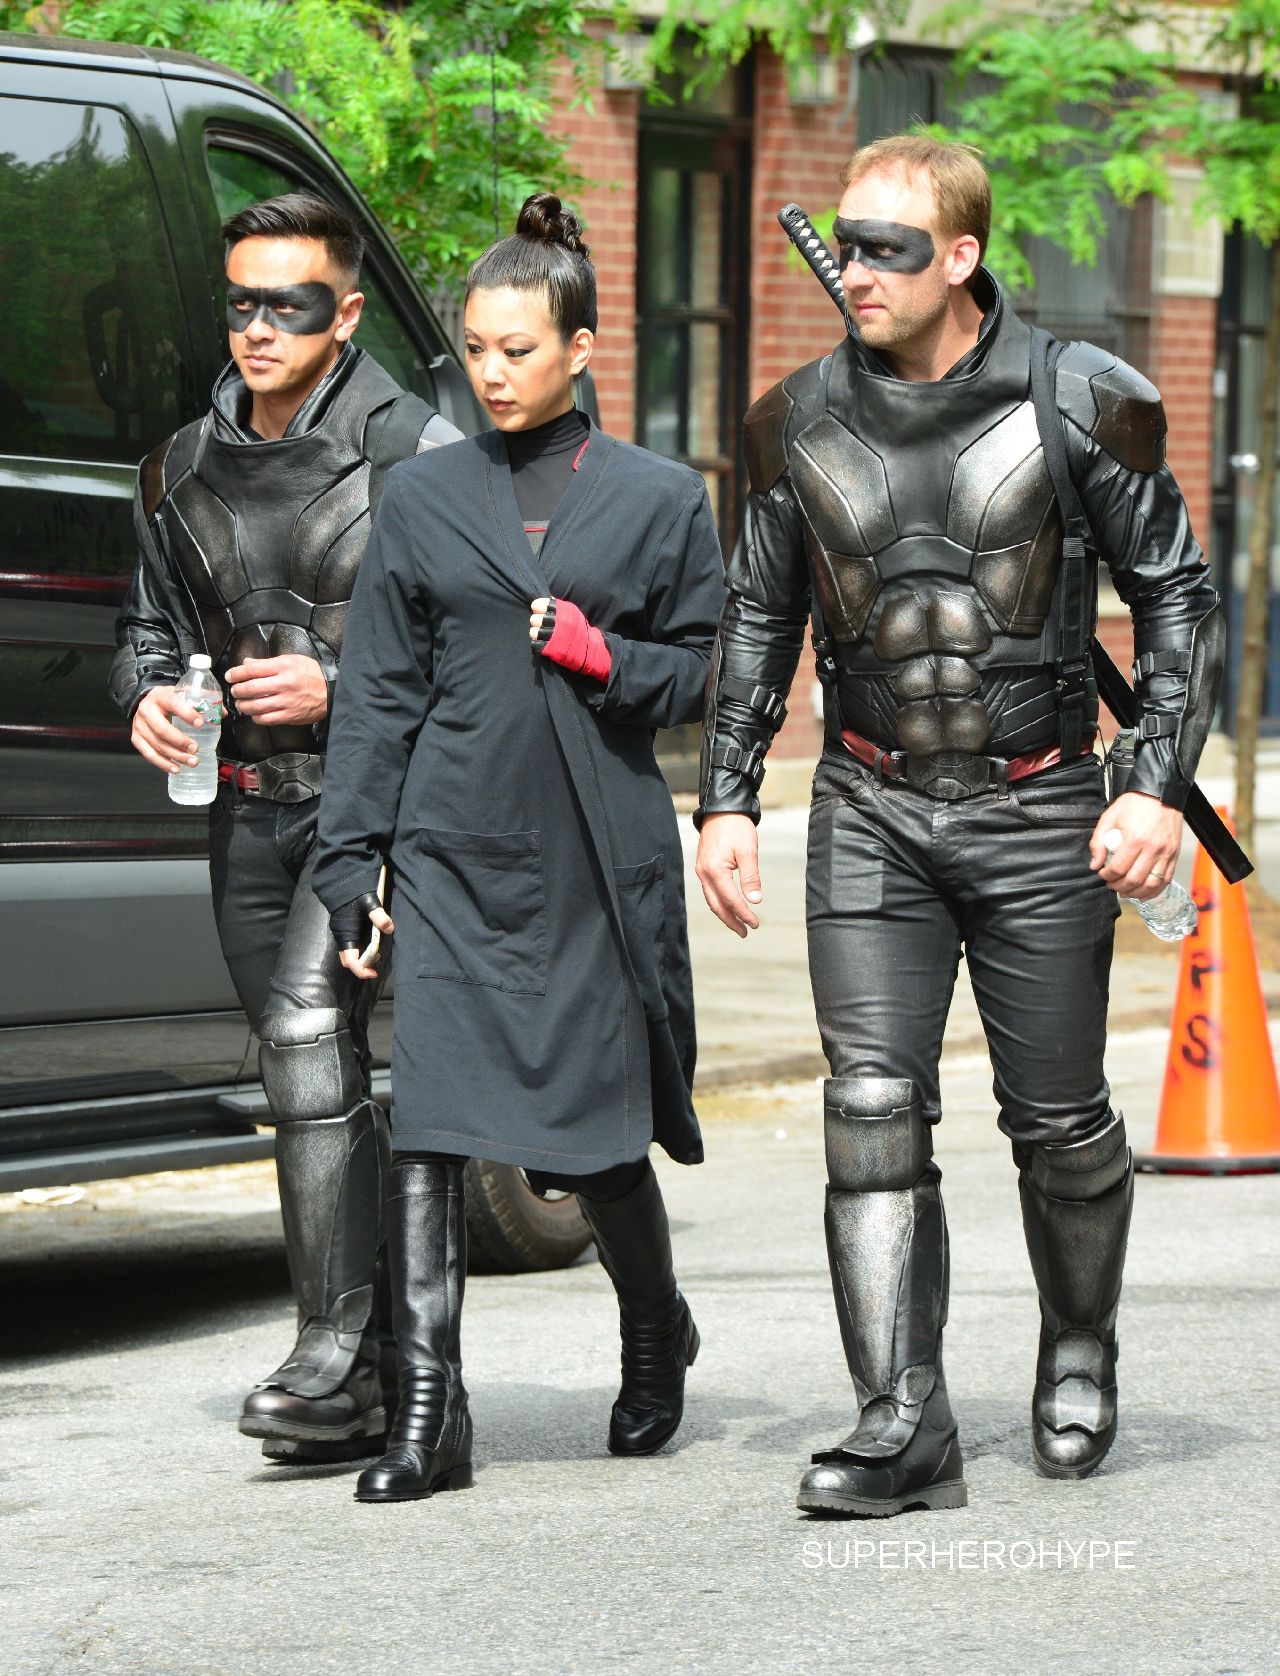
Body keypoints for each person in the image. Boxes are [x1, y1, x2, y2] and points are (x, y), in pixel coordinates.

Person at [695, 136, 1223, 1517]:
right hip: (868, 803)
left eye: (891, 247)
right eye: (849, 243)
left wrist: (1152, 781)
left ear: (963, 256)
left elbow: (1175, 595)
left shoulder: (1083, 397)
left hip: (1043, 801)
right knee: (869, 1105)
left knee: (1057, 1119)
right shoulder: (791, 420)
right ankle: (900, 1419)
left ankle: (1079, 1342)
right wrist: (727, 794)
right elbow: (757, 613)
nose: (857, 269)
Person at [313, 192, 727, 1503]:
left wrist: (605, 656)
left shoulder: (660, 499)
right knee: (429, 1129)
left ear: (581, 348)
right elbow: (378, 690)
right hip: (450, 851)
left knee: (594, 1141)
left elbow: (707, 673)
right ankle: (428, 1412)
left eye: (518, 349)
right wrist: (350, 861)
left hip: (594, 859)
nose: (491, 372)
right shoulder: (424, 494)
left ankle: (654, 1325)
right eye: (476, 349)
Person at [110, 193, 462, 1462]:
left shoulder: (420, 454)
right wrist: (148, 695)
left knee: (313, 1042)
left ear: (347, 314)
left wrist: (339, 681)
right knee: (303, 1073)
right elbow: (145, 628)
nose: (258, 328)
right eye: (242, 303)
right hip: (245, 811)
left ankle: (326, 1344)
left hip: (379, 811)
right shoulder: (177, 466)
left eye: (289, 305)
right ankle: (374, 1381)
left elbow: (479, 646)